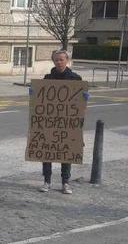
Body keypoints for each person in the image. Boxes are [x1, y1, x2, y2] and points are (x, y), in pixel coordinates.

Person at [36, 49, 85, 195]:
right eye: (56, 59)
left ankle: (65, 183)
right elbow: (41, 100)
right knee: (47, 152)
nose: (59, 62)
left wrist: (84, 97)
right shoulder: (48, 78)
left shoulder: (75, 79)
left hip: (67, 122)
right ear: (53, 61)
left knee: (66, 152)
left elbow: (79, 104)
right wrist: (34, 94)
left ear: (67, 60)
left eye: (61, 59)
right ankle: (47, 181)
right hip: (50, 122)